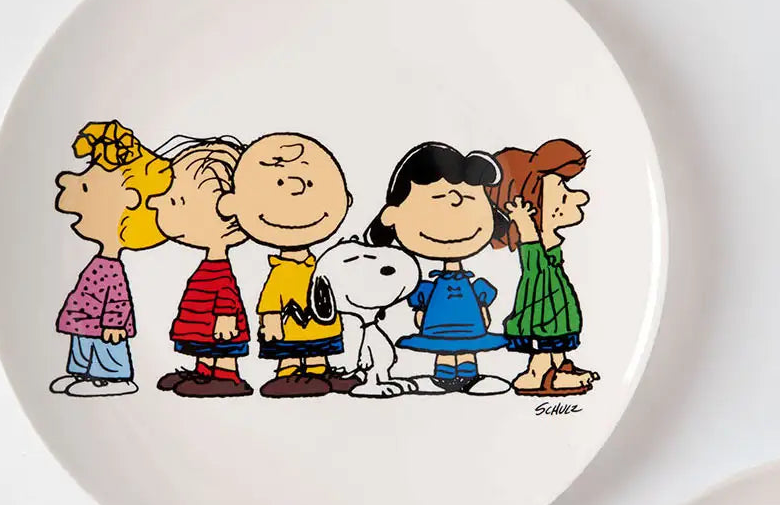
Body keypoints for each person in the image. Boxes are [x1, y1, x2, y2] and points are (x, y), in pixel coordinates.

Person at [217, 133, 354, 398]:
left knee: (318, 354)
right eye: (279, 183)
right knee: (289, 354)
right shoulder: (281, 271)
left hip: (321, 326)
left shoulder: (321, 266)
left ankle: (318, 371)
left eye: (310, 184)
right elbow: (271, 298)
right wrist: (270, 320)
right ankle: (288, 373)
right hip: (289, 327)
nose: (296, 190)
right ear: (232, 205)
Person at [369, 142, 510, 394]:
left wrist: (483, 311)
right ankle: (443, 377)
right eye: (436, 200)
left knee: (467, 349)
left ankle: (469, 376)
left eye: (469, 199)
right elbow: (420, 303)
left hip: (470, 326)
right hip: (438, 326)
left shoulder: (471, 285)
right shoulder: (428, 288)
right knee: (444, 349)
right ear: (392, 215)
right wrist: (421, 313)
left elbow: (482, 299)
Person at [50, 120, 171, 396]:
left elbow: (118, 298)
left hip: (101, 324)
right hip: (85, 320)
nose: (65, 181)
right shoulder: (100, 263)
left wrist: (115, 323)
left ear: (129, 201)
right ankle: (81, 372)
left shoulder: (111, 269)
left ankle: (113, 378)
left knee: (105, 347)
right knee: (82, 344)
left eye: (86, 189)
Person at [489, 139, 596, 396]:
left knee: (555, 346)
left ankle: (558, 369)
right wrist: (524, 222)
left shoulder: (550, 247)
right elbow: (529, 243)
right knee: (543, 348)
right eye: (563, 194)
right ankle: (538, 375)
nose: (581, 197)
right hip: (542, 314)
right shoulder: (534, 250)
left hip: (555, 313)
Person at [149, 137, 253, 397]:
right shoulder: (208, 265)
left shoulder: (220, 270)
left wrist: (227, 317)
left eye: (177, 201)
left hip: (220, 325)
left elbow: (227, 293)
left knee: (222, 349)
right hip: (204, 324)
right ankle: (204, 372)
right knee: (206, 346)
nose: (155, 203)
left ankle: (228, 376)